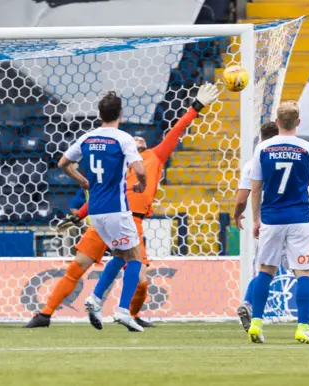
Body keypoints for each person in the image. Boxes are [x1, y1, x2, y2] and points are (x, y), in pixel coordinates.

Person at [24, 83, 222, 330]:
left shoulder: (154, 156)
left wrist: (196, 107)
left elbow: (176, 131)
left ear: (145, 145)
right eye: (134, 135)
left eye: (141, 136)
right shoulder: (119, 155)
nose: (137, 137)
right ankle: (45, 314)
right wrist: (79, 216)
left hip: (128, 218)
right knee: (77, 267)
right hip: (111, 215)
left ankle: (129, 313)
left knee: (140, 280)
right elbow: (100, 190)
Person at [56, 91, 147, 331]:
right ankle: (124, 311)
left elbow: (63, 163)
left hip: (95, 211)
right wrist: (142, 183)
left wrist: (82, 181)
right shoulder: (123, 138)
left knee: (119, 254)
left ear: (99, 115)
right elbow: (140, 169)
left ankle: (95, 298)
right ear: (120, 114)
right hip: (116, 209)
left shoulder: (87, 137)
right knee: (135, 257)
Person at [234, 122, 309, 339]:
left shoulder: (258, 155)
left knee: (265, 271)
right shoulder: (306, 148)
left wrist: (253, 218)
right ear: (298, 122)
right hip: (298, 219)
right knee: (304, 272)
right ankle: (308, 326)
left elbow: (252, 192)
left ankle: (255, 319)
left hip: (271, 219)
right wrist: (305, 190)